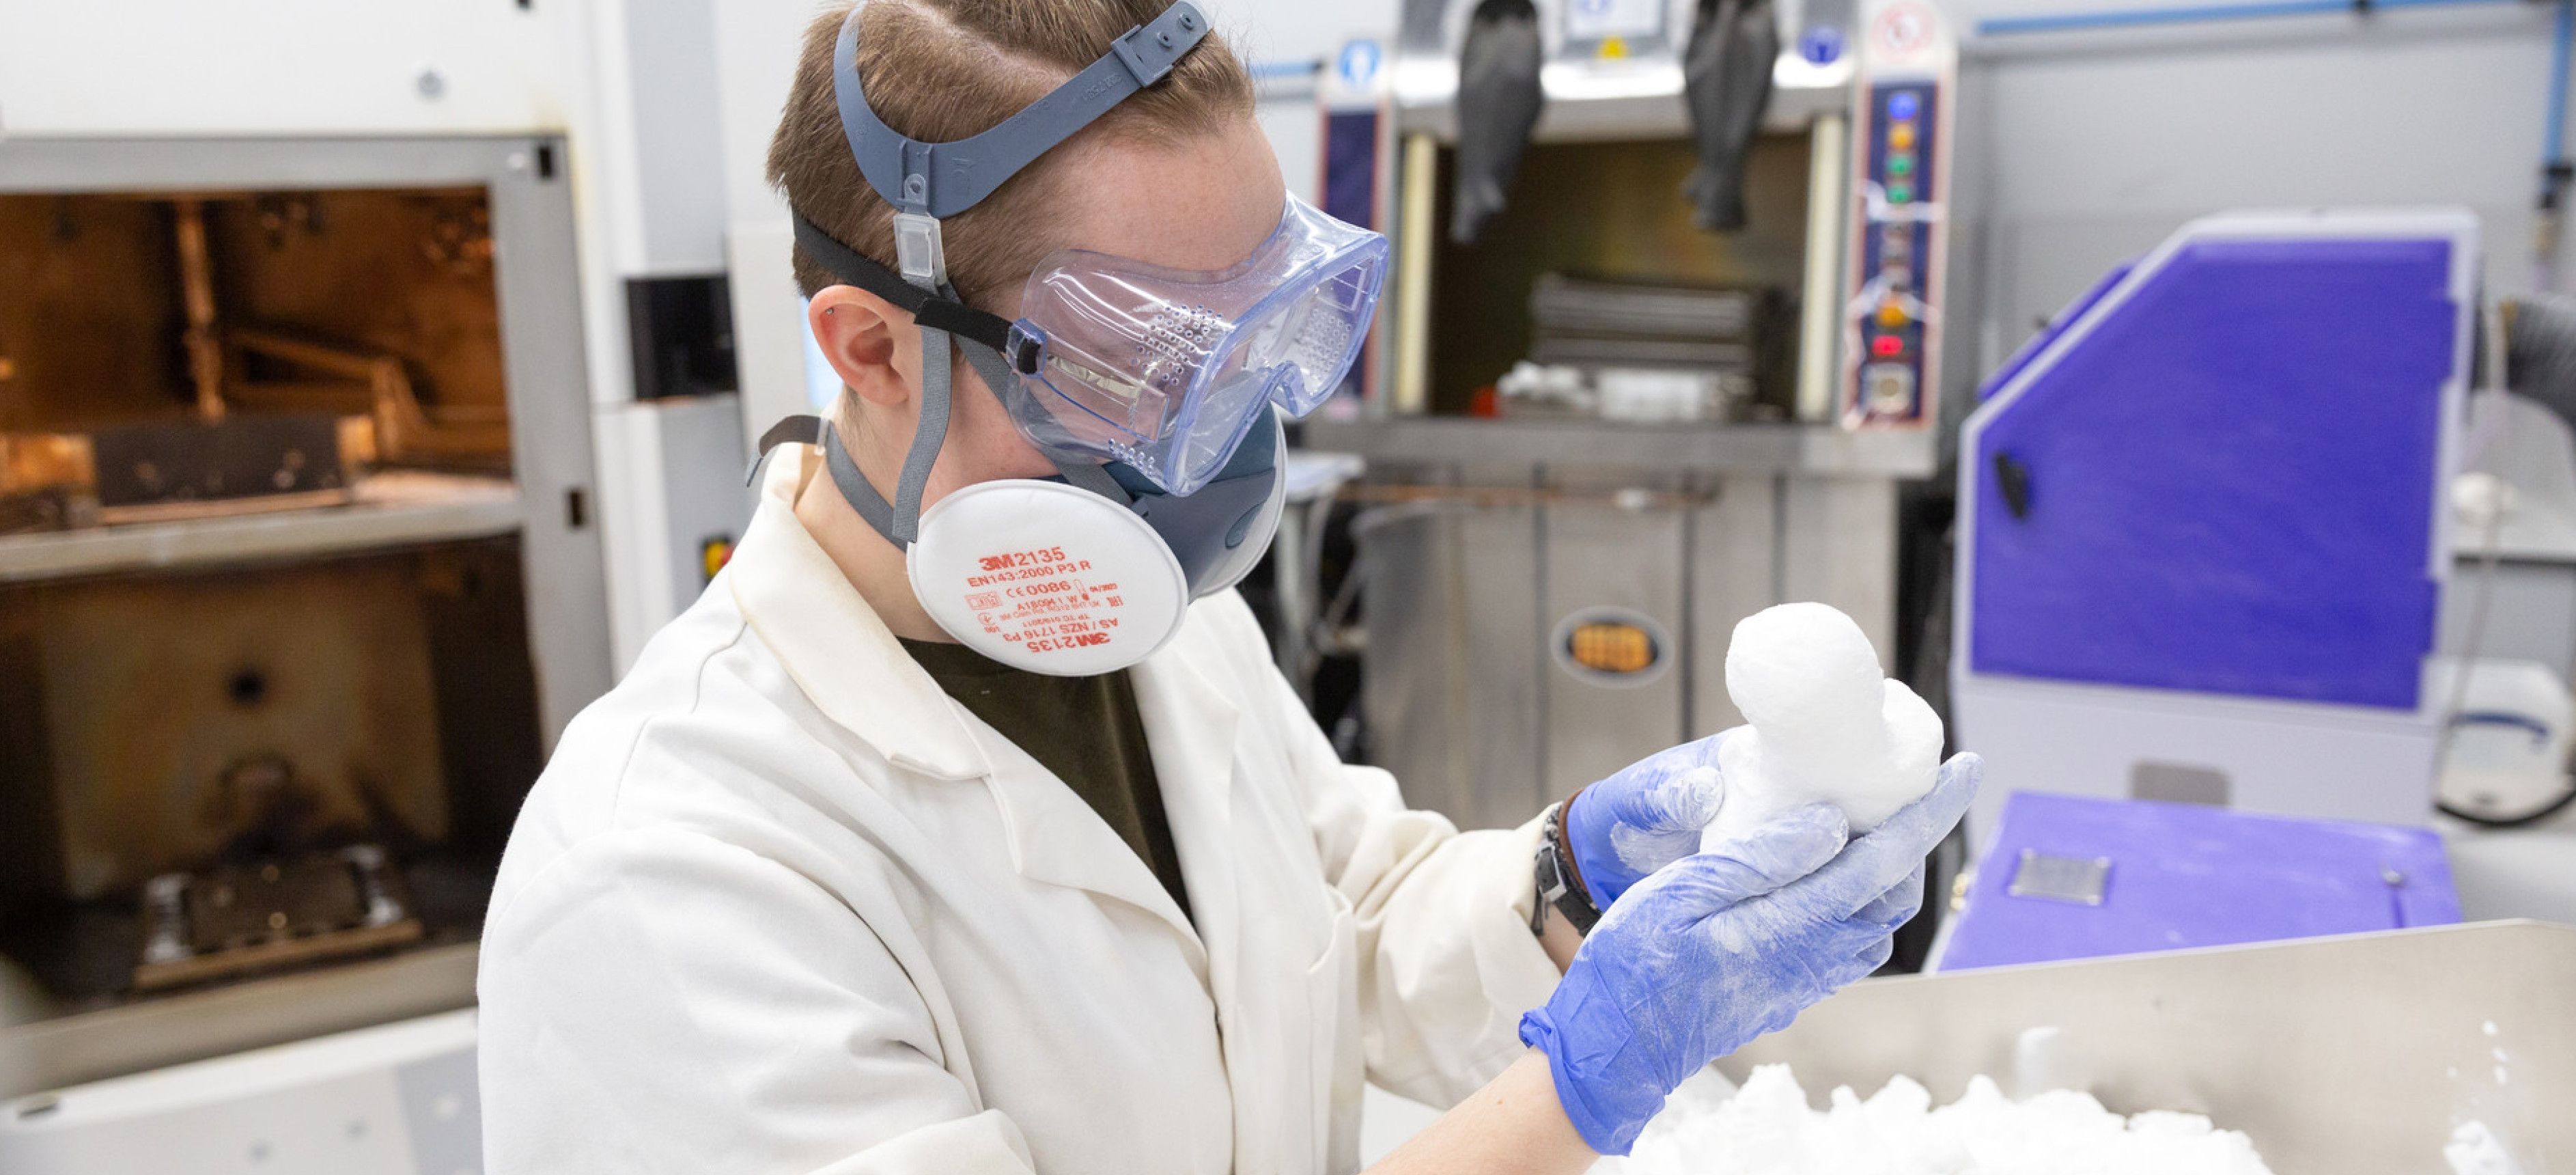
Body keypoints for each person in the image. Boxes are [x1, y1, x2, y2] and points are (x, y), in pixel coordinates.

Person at [472, 2, 1978, 1172]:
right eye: (1147, 364)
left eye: (1262, 327)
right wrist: (1580, 1085)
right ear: (874, 349)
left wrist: (1578, 879)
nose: (1228, 437)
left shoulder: (1152, 633)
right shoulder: (671, 864)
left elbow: (1357, 925)